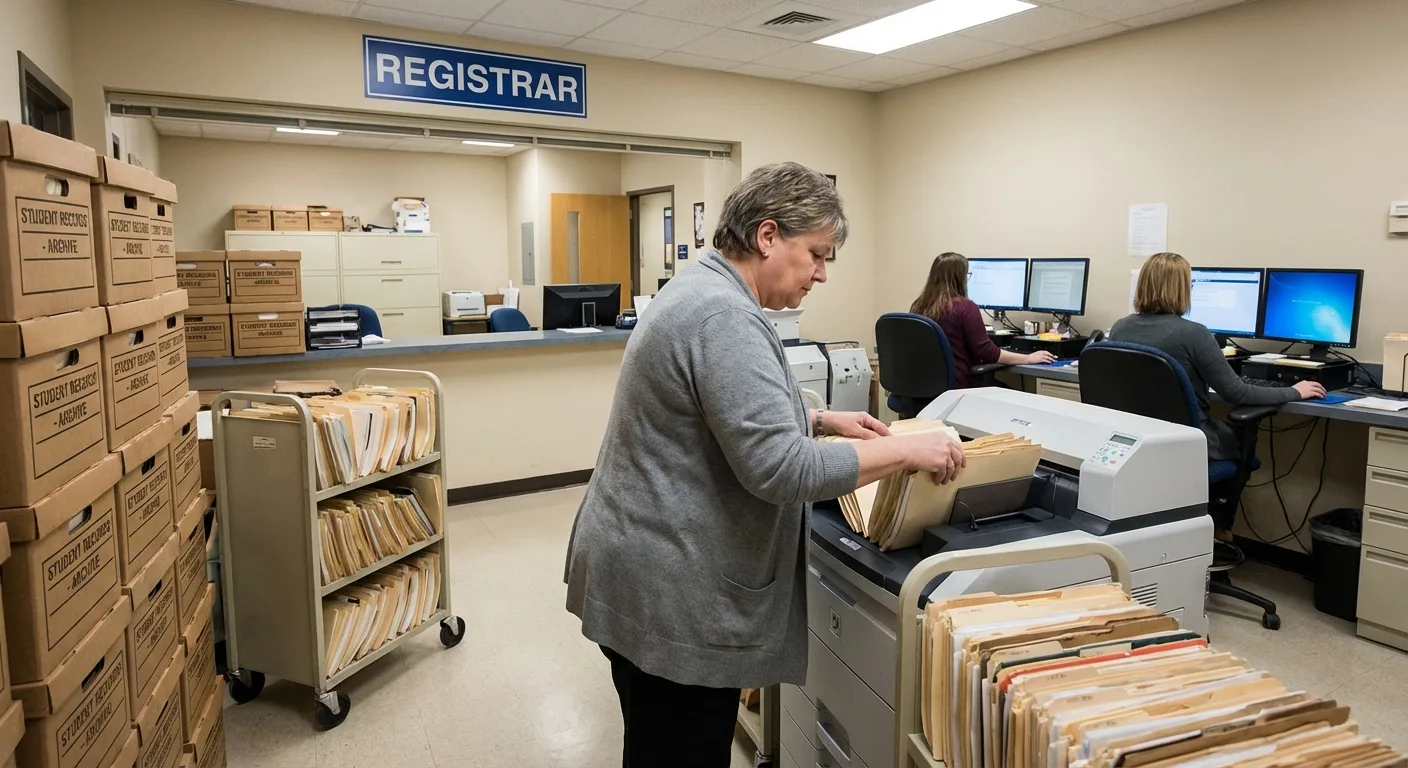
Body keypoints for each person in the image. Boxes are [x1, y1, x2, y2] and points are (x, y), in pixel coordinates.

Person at [563, 162, 966, 767]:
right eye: (817, 254)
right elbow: (779, 470)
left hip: (639, 562)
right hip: (668, 585)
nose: (821, 274)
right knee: (678, 750)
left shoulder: (704, 286)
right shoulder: (725, 317)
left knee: (658, 746)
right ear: (768, 236)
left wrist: (821, 419)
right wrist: (908, 447)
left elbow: (712, 417)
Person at [1110, 252, 1325, 463]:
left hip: (1137, 445)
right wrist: (1294, 391)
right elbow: (1237, 393)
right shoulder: (1193, 333)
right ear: (1183, 289)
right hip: (1190, 443)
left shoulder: (1120, 328)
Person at [910, 252, 1055, 387]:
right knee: (1017, 399)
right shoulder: (965, 307)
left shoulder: (918, 306)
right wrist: (1028, 359)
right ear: (960, 278)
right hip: (959, 386)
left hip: (924, 386)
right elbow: (987, 353)